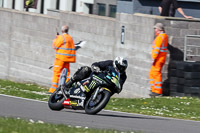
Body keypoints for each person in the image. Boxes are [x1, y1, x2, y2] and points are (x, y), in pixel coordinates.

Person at [48, 25, 76, 93]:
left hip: (60, 59)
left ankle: (53, 90)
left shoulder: (61, 37)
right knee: (66, 74)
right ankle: (66, 88)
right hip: (67, 59)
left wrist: (56, 39)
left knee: (56, 73)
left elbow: (55, 46)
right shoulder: (70, 38)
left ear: (62, 30)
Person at [149, 23, 168, 97]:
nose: (155, 30)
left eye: (156, 29)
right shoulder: (164, 36)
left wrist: (153, 58)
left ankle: (157, 91)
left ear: (159, 29)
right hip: (160, 58)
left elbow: (157, 49)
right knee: (152, 73)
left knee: (156, 74)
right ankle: (154, 90)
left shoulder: (160, 37)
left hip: (158, 59)